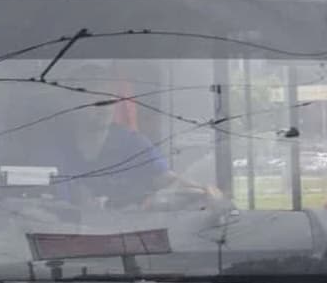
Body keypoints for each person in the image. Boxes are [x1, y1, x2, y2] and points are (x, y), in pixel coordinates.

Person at [44, 61, 224, 209]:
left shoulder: (133, 143)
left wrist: (204, 191)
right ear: (73, 103)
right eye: (94, 99)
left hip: (130, 234)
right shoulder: (54, 146)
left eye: (109, 98)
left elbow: (165, 179)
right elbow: (48, 198)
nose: (104, 107)